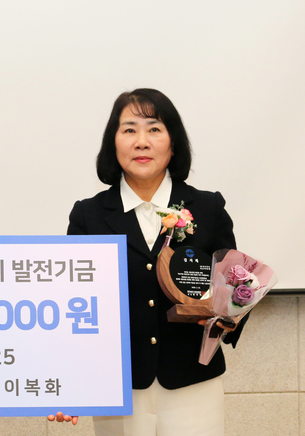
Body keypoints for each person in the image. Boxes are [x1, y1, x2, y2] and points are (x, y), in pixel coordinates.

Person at [48, 88, 246, 435]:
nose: (142, 142)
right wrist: (70, 378)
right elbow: (72, 305)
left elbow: (237, 288)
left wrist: (227, 316)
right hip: (117, 385)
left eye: (154, 129)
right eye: (129, 130)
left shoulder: (208, 208)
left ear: (173, 143)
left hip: (193, 383)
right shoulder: (88, 215)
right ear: (113, 143)